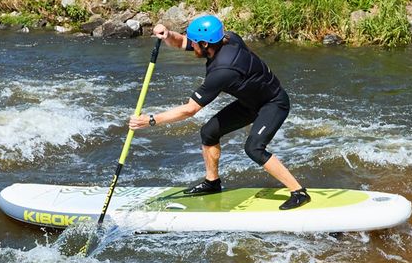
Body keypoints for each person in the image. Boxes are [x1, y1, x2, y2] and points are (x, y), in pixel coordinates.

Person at [129, 15, 311, 210]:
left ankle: (299, 192)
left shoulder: (222, 71)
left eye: (195, 43)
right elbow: (181, 41)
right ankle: (212, 182)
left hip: (273, 104)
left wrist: (151, 120)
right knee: (208, 133)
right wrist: (167, 34)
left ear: (206, 44)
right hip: (249, 103)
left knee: (254, 148)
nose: (191, 44)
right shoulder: (227, 39)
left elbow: (190, 109)